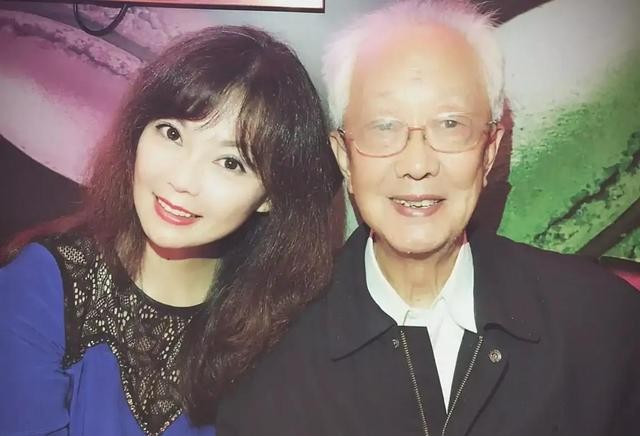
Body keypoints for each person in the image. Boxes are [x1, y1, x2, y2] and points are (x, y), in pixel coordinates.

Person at [215, 2, 640, 435]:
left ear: (489, 151)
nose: (417, 164)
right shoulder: (270, 356)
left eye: (450, 124)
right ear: (344, 157)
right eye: (384, 126)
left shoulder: (601, 322)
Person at [0, 26, 341, 435]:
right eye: (172, 133)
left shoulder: (280, 325)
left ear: (271, 195)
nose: (182, 180)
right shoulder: (42, 283)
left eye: (230, 163)